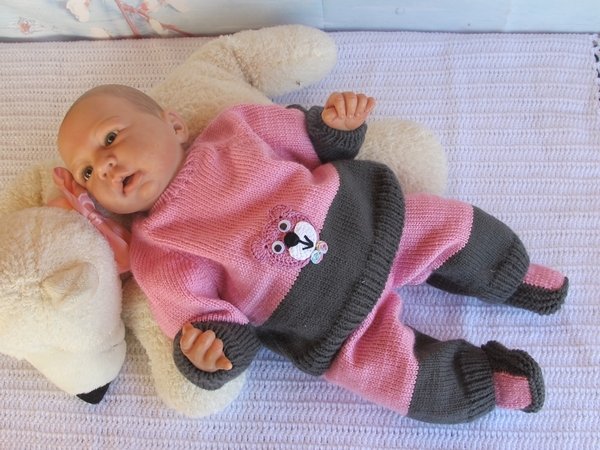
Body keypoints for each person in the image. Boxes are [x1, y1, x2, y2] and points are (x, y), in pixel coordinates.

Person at [57, 84, 568, 424]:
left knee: (449, 225)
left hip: (367, 221)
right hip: (324, 324)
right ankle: (485, 383)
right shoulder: (157, 253)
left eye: (110, 137)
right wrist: (209, 355)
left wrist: (335, 126)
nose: (105, 165)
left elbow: (310, 139)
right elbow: (204, 320)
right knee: (395, 376)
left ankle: (513, 274)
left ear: (173, 124)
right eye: (86, 172)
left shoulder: (235, 130)